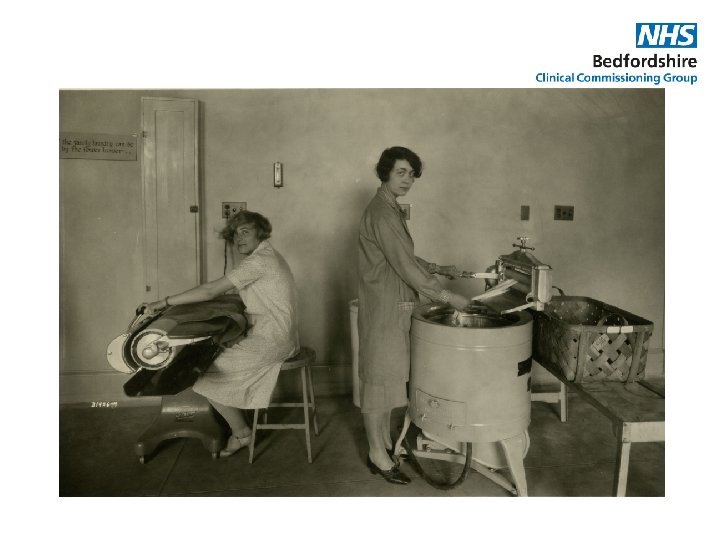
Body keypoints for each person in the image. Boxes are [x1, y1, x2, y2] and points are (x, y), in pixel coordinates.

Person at [139, 210, 299, 458]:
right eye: (235, 234)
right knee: (210, 357)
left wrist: (163, 302)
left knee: (201, 375)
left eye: (245, 231)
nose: (239, 238)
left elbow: (211, 291)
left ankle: (242, 433)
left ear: (260, 232)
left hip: (272, 341)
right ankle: (238, 421)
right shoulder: (268, 255)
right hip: (279, 336)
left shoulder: (258, 261)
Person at [357, 146, 470, 484]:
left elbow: (402, 256)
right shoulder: (382, 213)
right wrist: (448, 297)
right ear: (385, 172)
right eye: (401, 172)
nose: (408, 180)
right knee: (378, 385)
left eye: (412, 174)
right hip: (383, 309)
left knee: (386, 381)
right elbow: (405, 266)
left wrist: (438, 268)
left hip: (390, 306)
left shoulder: (388, 208)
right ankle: (376, 454)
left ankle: (381, 445)